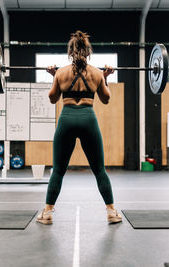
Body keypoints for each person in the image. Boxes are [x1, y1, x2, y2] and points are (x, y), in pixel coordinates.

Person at [36, 30, 122, 225]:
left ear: (70, 51)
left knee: (58, 170)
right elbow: (106, 99)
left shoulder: (61, 72)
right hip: (88, 118)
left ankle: (48, 213)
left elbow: (52, 98)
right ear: (88, 51)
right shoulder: (96, 73)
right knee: (99, 169)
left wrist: (54, 76)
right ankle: (111, 212)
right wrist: (106, 77)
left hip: (66, 118)